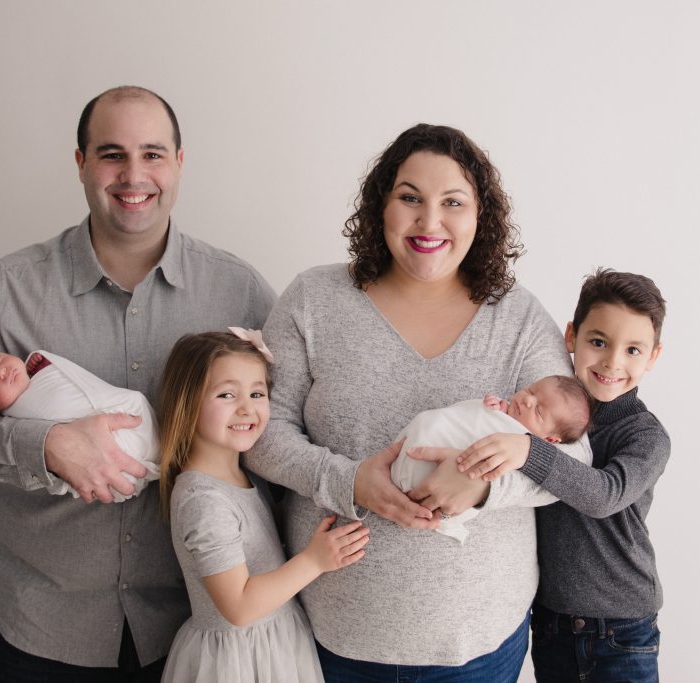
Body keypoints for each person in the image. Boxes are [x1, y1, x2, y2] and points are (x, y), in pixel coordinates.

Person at [0, 86, 275, 681]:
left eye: (153, 154)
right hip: (42, 623)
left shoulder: (239, 291)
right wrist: (47, 446)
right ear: (81, 163)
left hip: (195, 625)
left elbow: (277, 434)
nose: (134, 175)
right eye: (111, 154)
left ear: (179, 164)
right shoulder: (5, 289)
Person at [245, 123, 592, 680]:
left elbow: (576, 463)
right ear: (380, 207)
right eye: (410, 198)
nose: (430, 222)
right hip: (335, 637)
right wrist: (348, 478)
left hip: (478, 644)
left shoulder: (519, 318)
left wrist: (481, 483)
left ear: (481, 216)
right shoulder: (314, 299)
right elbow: (261, 433)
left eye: (453, 202)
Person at [450, 268, 669, 682]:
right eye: (599, 342)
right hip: (551, 622)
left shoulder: (646, 436)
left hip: (622, 628)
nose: (612, 362)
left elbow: (605, 495)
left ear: (654, 357)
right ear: (572, 336)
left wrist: (529, 449)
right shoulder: (541, 409)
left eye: (633, 350)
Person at [156, 330, 369, 682]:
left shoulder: (243, 477)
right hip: (238, 662)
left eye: (257, 393)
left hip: (273, 646)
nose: (247, 407)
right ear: (187, 402)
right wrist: (314, 560)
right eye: (227, 394)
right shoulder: (203, 500)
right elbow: (238, 608)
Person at [391, 374, 592, 542]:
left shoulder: (524, 446)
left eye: (538, 411)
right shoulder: (504, 408)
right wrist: (492, 407)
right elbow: (470, 416)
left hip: (447, 481)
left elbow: (574, 476)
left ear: (548, 439)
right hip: (416, 445)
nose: (527, 400)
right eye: (531, 390)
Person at [0, 347, 160, 501]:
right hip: (112, 459)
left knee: (135, 406)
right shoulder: (16, 420)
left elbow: (79, 384)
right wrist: (50, 444)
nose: (1, 372)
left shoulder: (38, 371)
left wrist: (46, 364)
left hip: (126, 415)